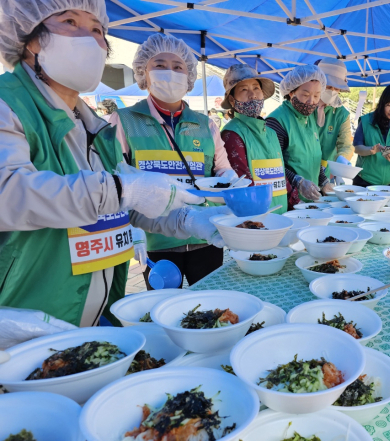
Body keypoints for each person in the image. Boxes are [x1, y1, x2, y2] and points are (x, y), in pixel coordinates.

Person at [0, 0, 225, 329]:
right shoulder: (9, 104)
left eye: (96, 30)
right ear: (30, 38)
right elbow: (9, 194)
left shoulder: (94, 129)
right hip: (34, 321)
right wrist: (121, 189)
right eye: (69, 21)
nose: (89, 39)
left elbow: (126, 206)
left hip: (102, 313)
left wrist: (188, 221)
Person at [109, 34, 236, 290]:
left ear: (188, 75)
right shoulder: (122, 121)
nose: (169, 72)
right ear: (143, 72)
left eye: (178, 67)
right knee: (165, 312)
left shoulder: (206, 124)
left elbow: (223, 170)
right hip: (155, 240)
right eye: (159, 65)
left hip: (205, 234)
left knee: (212, 306)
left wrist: (232, 185)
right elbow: (114, 181)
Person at [219, 64, 293, 213]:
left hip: (281, 217)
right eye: (244, 90)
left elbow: (280, 175)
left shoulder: (270, 132)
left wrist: (297, 206)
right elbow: (242, 184)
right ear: (233, 101)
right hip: (258, 221)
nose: (252, 95)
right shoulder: (232, 134)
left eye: (256, 88)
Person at [266, 65, 330, 203]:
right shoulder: (277, 121)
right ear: (291, 92)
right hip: (290, 201)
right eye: (305, 95)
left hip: (311, 200)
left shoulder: (310, 117)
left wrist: (323, 181)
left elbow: (313, 156)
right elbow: (273, 166)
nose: (311, 101)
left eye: (316, 96)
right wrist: (298, 182)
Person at [352, 83, 390, 187]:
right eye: (388, 105)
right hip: (365, 181)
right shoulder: (366, 120)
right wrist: (371, 150)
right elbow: (357, 148)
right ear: (382, 103)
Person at [314, 58, 354, 176]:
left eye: (336, 88)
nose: (332, 91)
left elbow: (346, 144)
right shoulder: (307, 107)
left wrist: (342, 158)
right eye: (328, 86)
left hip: (326, 173)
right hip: (301, 170)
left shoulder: (341, 114)